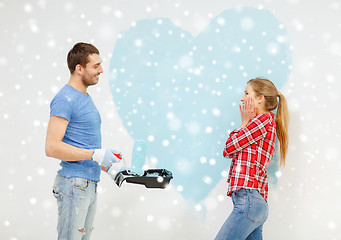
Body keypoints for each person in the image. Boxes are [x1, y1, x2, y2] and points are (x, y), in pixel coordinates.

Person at [45, 42, 122, 240]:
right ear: (79, 68)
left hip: (86, 184)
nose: (101, 70)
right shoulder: (65, 98)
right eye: (95, 66)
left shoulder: (84, 97)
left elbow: (82, 143)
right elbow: (52, 147)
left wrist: (107, 164)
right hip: (73, 184)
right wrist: (94, 154)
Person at [215, 78, 289, 240]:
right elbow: (231, 151)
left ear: (260, 98)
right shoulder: (266, 123)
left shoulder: (261, 120)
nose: (242, 98)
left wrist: (244, 123)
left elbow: (228, 148)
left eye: (247, 93)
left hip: (249, 200)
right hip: (256, 204)